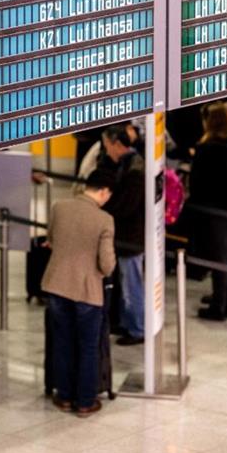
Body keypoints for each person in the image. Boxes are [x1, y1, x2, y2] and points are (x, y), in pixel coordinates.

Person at [42, 169, 116, 418]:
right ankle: (85, 401)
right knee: (87, 346)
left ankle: (63, 397)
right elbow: (106, 265)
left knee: (62, 342)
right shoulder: (104, 219)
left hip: (56, 284)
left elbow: (51, 239)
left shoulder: (59, 207)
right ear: (103, 191)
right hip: (87, 290)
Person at [190, 101, 227, 321]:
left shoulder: (206, 149)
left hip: (216, 210)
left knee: (219, 257)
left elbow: (197, 184)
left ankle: (218, 305)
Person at [101, 124, 145, 346]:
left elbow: (126, 206)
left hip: (131, 237)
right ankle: (128, 323)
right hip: (129, 235)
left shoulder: (134, 170)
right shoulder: (128, 165)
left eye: (107, 146)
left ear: (117, 144)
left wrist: (105, 207)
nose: (106, 150)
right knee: (127, 282)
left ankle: (137, 328)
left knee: (132, 284)